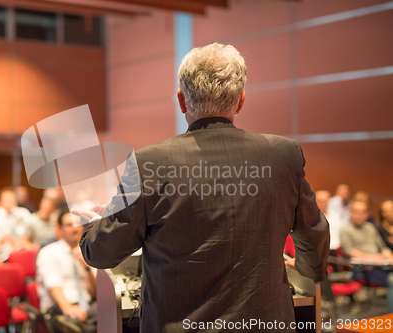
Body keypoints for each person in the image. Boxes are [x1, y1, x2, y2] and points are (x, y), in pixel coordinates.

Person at [76, 43, 330, 332]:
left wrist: (96, 221)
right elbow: (315, 232)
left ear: (182, 101)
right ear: (241, 101)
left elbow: (101, 252)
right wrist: (310, 272)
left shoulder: (149, 163)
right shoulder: (284, 155)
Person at [37, 210, 97, 333]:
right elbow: (53, 285)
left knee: (112, 311)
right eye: (69, 225)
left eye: (77, 224)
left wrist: (87, 268)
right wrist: (67, 308)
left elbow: (96, 293)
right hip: (59, 308)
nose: (74, 229)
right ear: (59, 229)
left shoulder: (88, 252)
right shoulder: (48, 252)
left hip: (88, 305)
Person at [339, 200, 393, 311]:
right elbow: (350, 252)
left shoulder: (371, 228)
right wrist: (372, 258)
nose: (359, 215)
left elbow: (382, 247)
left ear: (366, 215)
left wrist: (388, 255)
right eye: (356, 211)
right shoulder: (345, 230)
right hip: (362, 270)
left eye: (362, 212)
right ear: (351, 213)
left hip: (381, 266)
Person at [327, 183, 352, 249]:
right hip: (333, 231)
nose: (345, 193)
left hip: (346, 232)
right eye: (343, 191)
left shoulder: (350, 205)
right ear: (337, 192)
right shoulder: (331, 202)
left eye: (346, 191)